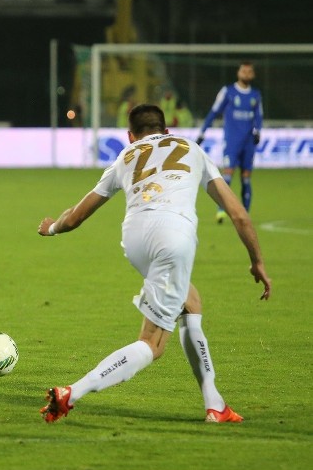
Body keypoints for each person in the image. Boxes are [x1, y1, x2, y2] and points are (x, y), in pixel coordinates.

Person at [37, 104, 271, 424]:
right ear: (167, 131)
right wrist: (257, 261)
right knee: (152, 344)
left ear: (130, 136)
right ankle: (71, 392)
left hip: (134, 239)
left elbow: (75, 216)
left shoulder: (126, 156)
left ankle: (214, 404)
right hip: (172, 237)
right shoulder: (191, 149)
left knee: (191, 301)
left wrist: (51, 227)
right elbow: (239, 214)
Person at [196, 61, 263, 222]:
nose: (246, 74)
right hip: (232, 141)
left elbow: (259, 116)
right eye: (244, 71)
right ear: (238, 73)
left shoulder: (256, 95)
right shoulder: (228, 92)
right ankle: (221, 210)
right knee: (227, 175)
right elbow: (213, 112)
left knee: (246, 177)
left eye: (249, 71)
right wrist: (202, 132)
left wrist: (257, 131)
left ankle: (245, 214)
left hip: (248, 142)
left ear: (252, 75)